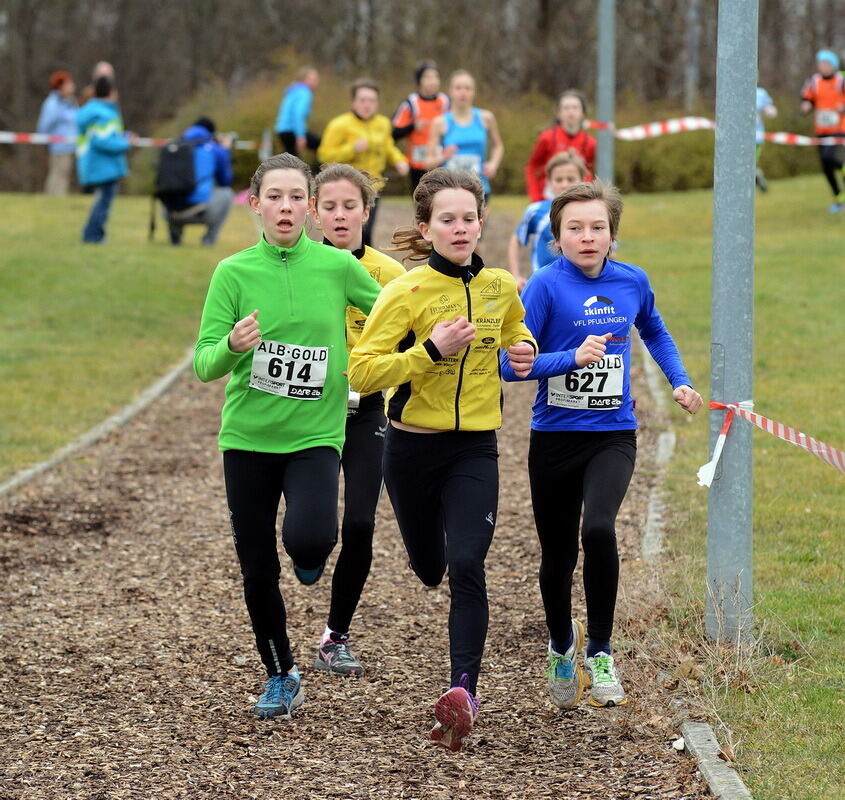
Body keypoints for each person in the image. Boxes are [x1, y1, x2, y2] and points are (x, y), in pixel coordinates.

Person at [347, 168, 536, 751]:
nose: (461, 228)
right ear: (425, 229)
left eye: (469, 218)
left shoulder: (502, 284)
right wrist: (430, 351)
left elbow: (514, 327)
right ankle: (431, 571)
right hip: (409, 449)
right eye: (447, 219)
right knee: (431, 567)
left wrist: (522, 346)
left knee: (467, 562)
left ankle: (463, 692)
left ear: (481, 223)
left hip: (475, 446)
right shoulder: (404, 291)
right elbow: (362, 370)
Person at [500, 180, 702, 711]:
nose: (587, 237)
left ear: (612, 234)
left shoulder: (632, 281)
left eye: (597, 228)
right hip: (554, 439)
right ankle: (562, 645)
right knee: (559, 553)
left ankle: (601, 651)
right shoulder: (543, 287)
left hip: (613, 434)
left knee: (600, 528)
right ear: (557, 236)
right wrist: (571, 359)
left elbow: (654, 331)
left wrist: (678, 379)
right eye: (575, 229)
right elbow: (510, 366)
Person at [193, 153, 381, 720]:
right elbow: (204, 363)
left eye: (296, 197)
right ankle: (282, 673)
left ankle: (308, 553)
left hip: (315, 437)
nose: (285, 207)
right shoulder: (232, 272)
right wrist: (233, 346)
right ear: (255, 204)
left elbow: (395, 313)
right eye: (273, 196)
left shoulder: (337, 267)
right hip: (247, 440)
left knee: (311, 540)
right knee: (256, 568)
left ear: (310, 207)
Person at [309, 163, 406, 676]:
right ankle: (308, 544)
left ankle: (335, 635)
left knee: (362, 523)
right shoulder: (297, 267)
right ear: (313, 212)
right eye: (330, 206)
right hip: (307, 408)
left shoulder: (390, 275)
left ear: (366, 212)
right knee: (317, 528)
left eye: (350, 206)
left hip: (367, 409)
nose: (340, 216)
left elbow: (414, 339)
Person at [318, 78, 409, 246]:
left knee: (366, 233)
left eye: (372, 101)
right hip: (346, 187)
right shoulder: (339, 125)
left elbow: (388, 146)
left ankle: (366, 268)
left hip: (373, 187)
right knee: (347, 232)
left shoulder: (383, 123)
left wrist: (400, 160)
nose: (367, 105)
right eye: (362, 100)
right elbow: (324, 155)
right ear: (353, 103)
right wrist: (352, 148)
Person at [507, 152, 586, 292]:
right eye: (559, 179)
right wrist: (515, 275)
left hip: (581, 287)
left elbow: (609, 253)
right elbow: (516, 240)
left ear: (582, 180)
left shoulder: (592, 213)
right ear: (549, 182)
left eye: (570, 179)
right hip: (543, 288)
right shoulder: (535, 211)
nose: (564, 184)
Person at [426, 70, 504, 205]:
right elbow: (428, 162)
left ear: (474, 92)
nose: (463, 92)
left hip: (480, 188)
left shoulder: (486, 118)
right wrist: (443, 157)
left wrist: (493, 164)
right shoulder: (440, 122)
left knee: (478, 226)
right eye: (458, 88)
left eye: (468, 88)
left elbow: (498, 146)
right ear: (450, 91)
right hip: (449, 191)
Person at [75, 76, 133, 244]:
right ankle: (93, 235)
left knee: (101, 202)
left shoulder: (91, 111)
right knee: (103, 203)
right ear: (111, 92)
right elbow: (103, 141)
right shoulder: (103, 113)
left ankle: (94, 234)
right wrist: (125, 143)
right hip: (104, 166)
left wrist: (122, 137)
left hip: (95, 164)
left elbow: (103, 136)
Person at [164, 116, 235, 246]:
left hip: (169, 211)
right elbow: (226, 180)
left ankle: (175, 231)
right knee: (227, 193)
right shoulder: (214, 149)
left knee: (172, 190)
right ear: (212, 133)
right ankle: (209, 240)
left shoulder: (174, 145)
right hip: (200, 212)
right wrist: (225, 150)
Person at [524, 90, 596, 203]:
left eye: (575, 107)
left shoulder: (590, 142)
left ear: (583, 112)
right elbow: (532, 167)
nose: (571, 112)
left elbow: (591, 172)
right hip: (550, 198)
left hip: (580, 198)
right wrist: (536, 197)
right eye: (566, 108)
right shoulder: (547, 137)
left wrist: (589, 194)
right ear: (558, 113)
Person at [391, 61, 450, 194]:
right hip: (417, 164)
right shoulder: (410, 103)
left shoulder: (445, 102)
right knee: (421, 206)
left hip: (441, 163)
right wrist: (412, 126)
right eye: (428, 77)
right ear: (419, 81)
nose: (433, 81)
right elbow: (393, 134)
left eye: (436, 77)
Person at [800, 49, 845, 212]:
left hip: (840, 129)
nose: (823, 67)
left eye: (827, 64)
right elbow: (807, 99)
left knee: (830, 156)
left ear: (833, 66)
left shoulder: (841, 80)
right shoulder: (814, 81)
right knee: (826, 166)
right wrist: (806, 106)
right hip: (821, 130)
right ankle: (838, 197)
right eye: (821, 64)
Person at [36, 71, 78, 195]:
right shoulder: (53, 103)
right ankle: (53, 198)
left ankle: (58, 199)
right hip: (58, 145)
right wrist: (47, 141)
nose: (72, 86)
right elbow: (44, 125)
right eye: (69, 83)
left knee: (64, 174)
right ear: (60, 86)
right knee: (57, 174)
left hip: (69, 145)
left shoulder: (71, 102)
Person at [274, 66, 321, 160]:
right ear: (305, 79)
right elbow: (298, 114)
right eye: (314, 79)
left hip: (282, 130)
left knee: (292, 161)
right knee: (320, 144)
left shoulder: (293, 90)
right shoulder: (304, 92)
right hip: (292, 130)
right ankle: (318, 172)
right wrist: (300, 136)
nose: (317, 82)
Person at [755, 85, 777, 192]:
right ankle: (757, 176)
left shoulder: (760, 93)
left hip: (756, 138)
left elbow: (769, 108)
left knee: (749, 164)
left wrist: (770, 111)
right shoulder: (735, 91)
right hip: (738, 138)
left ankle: (757, 177)